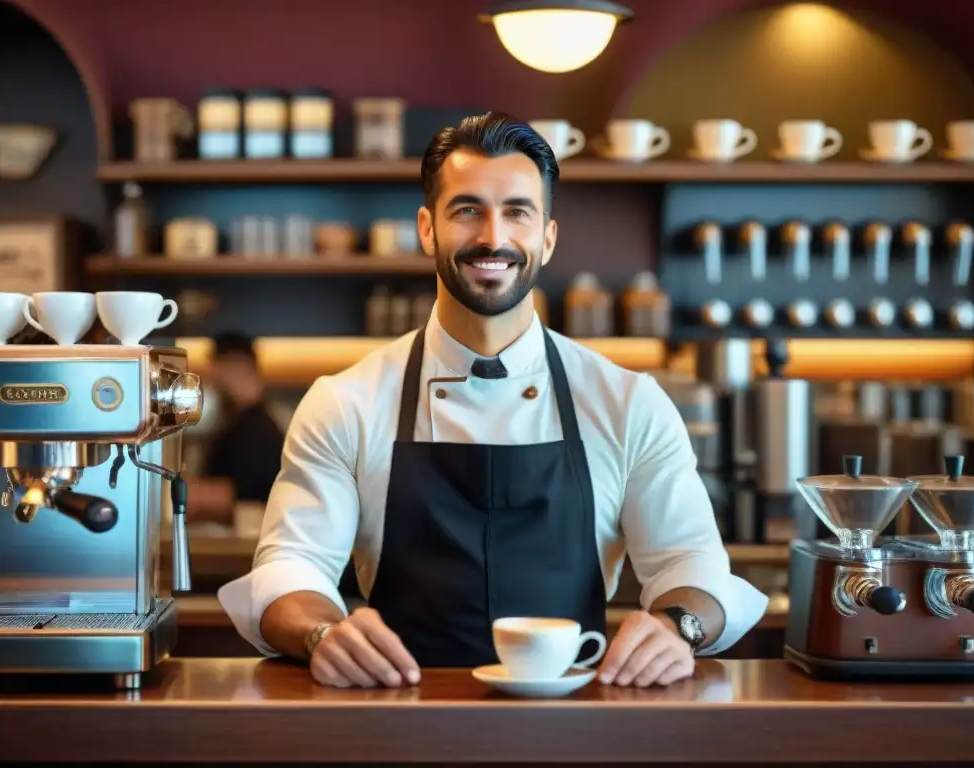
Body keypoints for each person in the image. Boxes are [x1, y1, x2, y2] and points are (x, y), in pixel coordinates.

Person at [219, 112, 769, 689]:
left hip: (580, 733)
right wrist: (323, 635)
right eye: (467, 210)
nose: (492, 237)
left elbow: (692, 564)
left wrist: (676, 627)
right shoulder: (346, 402)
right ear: (428, 229)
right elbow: (290, 568)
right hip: (396, 725)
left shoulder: (629, 402)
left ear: (547, 238)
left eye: (517, 212)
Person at [201, 331, 286, 504]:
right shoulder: (244, 422)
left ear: (236, 365)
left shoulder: (256, 429)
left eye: (216, 368)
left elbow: (242, 492)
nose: (212, 378)